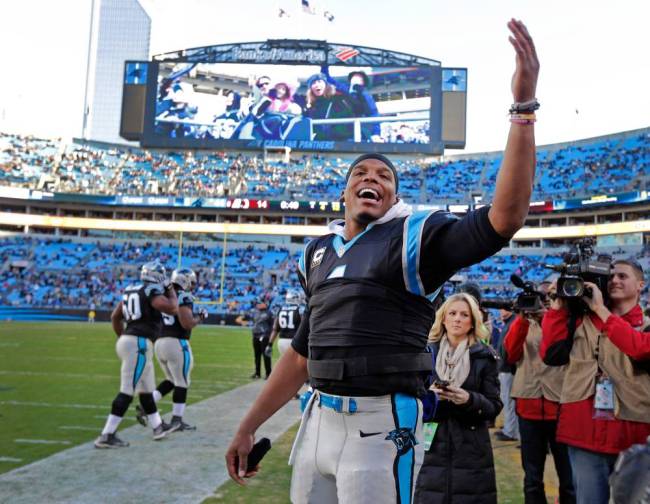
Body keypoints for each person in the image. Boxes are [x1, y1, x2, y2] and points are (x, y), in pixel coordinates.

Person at [226, 19, 539, 503]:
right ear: (345, 190)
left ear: (393, 195)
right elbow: (302, 354)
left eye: (384, 175)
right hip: (317, 422)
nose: (372, 178)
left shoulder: (415, 236)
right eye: (361, 172)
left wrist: (522, 110)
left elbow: (505, 218)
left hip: (381, 425)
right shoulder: (318, 252)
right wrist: (248, 426)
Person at [540, 260, 650, 504]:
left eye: (623, 276)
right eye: (610, 276)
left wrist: (601, 309)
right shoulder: (579, 319)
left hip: (634, 431)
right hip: (584, 428)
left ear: (641, 284)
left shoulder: (646, 323)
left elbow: (640, 350)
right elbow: (551, 355)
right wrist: (558, 307)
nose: (615, 281)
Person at [414, 293, 503, 504]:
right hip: (431, 446)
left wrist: (469, 399)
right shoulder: (425, 353)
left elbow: (494, 406)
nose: (457, 319)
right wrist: (430, 397)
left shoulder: (484, 356)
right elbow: (411, 398)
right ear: (443, 318)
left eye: (464, 315)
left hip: (471, 447)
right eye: (452, 313)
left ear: (473, 321)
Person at [503, 281, 575, 504]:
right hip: (529, 404)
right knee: (532, 477)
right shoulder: (522, 323)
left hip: (561, 404)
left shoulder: (565, 322)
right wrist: (523, 319)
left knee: (568, 477)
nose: (542, 303)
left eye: (549, 298)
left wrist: (548, 317)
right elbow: (511, 354)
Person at [94, 260, 179, 448]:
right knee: (127, 390)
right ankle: (107, 434)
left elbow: (115, 316)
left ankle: (158, 427)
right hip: (138, 343)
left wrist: (122, 337)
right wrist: (170, 289)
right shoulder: (150, 291)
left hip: (132, 341)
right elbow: (172, 308)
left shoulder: (132, 289)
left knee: (146, 390)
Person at [135, 268, 208, 431]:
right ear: (184, 280)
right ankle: (177, 419)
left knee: (171, 380)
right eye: (192, 281)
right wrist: (200, 318)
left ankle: (146, 406)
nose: (194, 285)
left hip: (160, 342)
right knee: (182, 381)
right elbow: (187, 324)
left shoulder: (163, 296)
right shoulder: (184, 296)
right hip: (176, 342)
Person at [304, 72, 355, 141]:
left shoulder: (337, 99)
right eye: (313, 83)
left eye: (319, 82)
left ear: (326, 84)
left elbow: (345, 123)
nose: (317, 85)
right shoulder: (310, 106)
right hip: (319, 143)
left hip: (339, 142)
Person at [495, 306, 520, 442]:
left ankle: (511, 431)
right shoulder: (509, 322)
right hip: (504, 368)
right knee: (507, 400)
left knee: (509, 401)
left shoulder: (513, 322)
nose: (501, 312)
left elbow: (508, 349)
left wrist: (506, 365)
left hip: (508, 368)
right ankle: (509, 428)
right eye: (501, 309)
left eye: (504, 309)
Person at [250, 301, 274, 380]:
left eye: (260, 303)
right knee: (257, 355)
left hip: (265, 336)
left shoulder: (269, 313)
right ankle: (257, 373)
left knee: (266, 355)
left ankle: (268, 373)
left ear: (265, 304)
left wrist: (269, 335)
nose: (258, 305)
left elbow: (272, 325)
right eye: (258, 303)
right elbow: (254, 323)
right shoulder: (255, 312)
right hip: (256, 336)